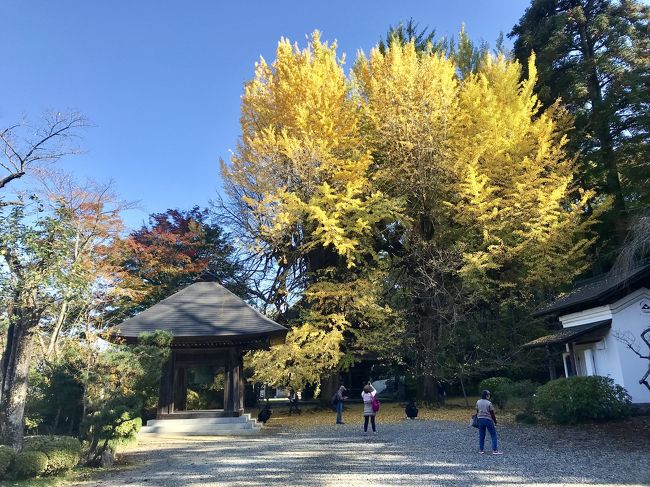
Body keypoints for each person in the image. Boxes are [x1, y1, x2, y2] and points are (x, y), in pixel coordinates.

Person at [476, 390, 502, 455]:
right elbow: (492, 414)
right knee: (493, 434)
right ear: (487, 395)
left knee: (482, 435)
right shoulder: (489, 403)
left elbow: (477, 410)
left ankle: (481, 450)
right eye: (489, 395)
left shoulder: (478, 402)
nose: (489, 396)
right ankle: (495, 450)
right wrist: (495, 422)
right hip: (487, 420)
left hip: (480, 419)